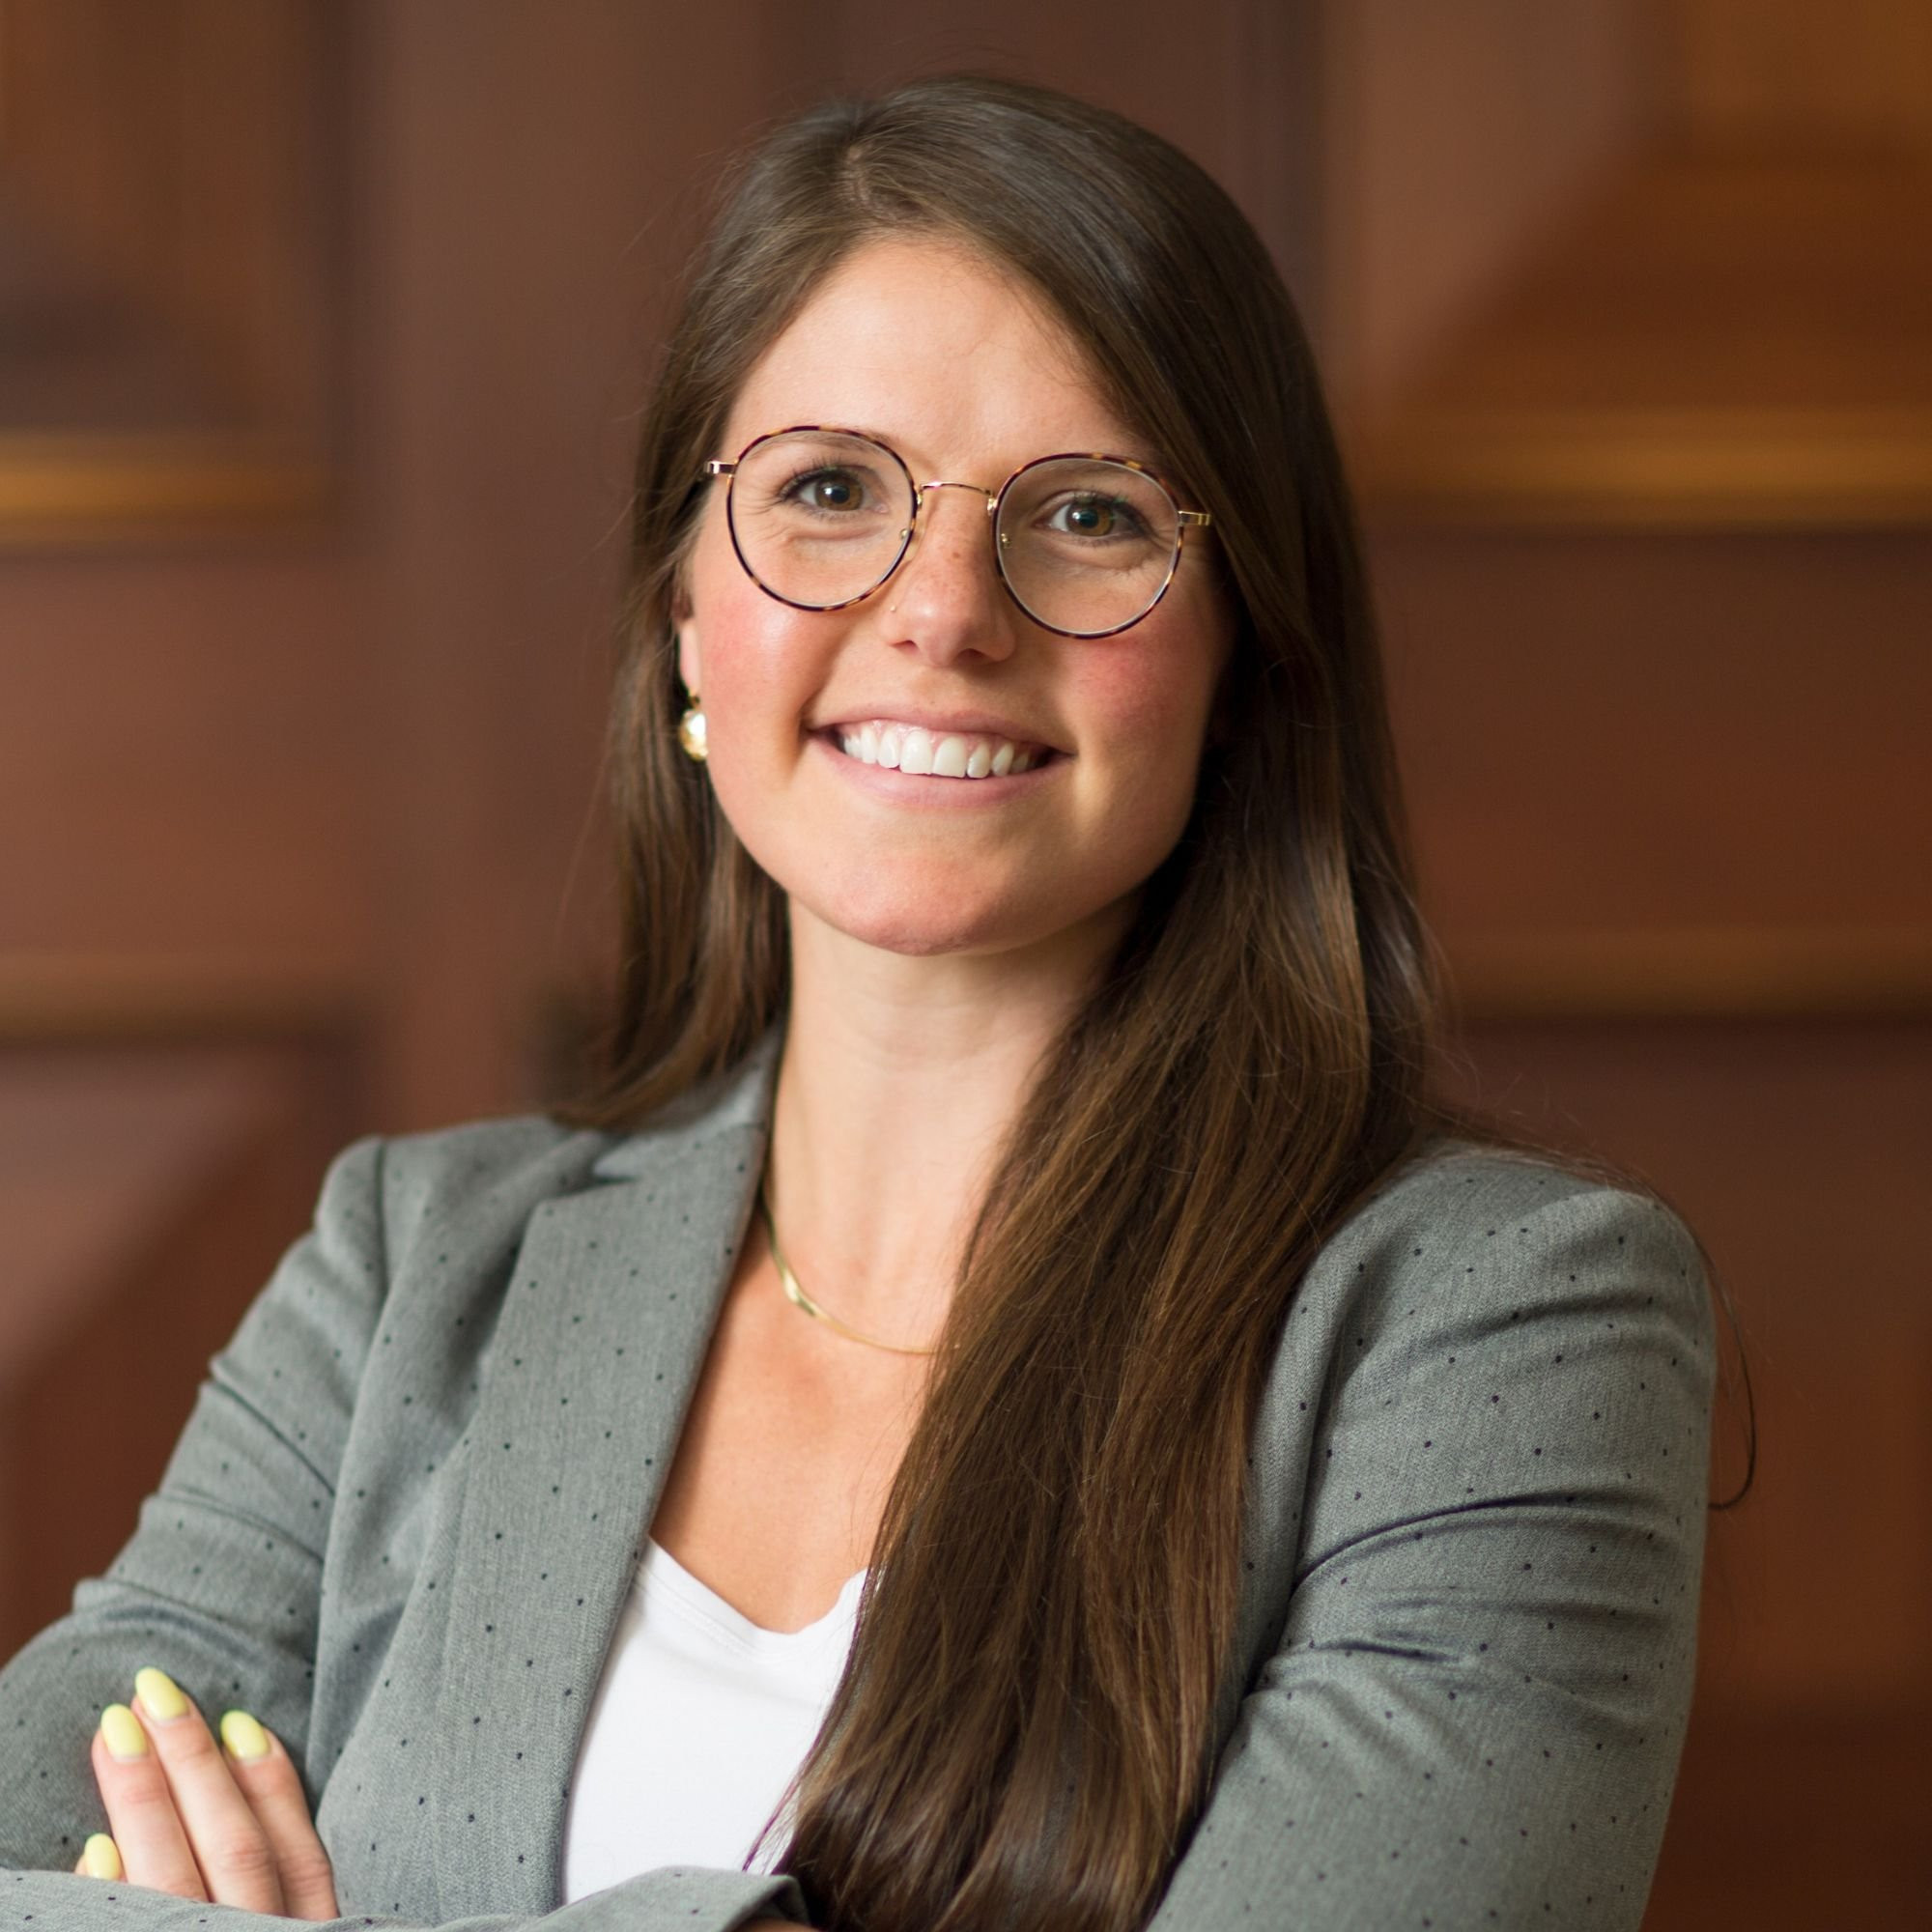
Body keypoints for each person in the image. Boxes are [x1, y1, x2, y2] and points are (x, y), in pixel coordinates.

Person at [0, 74, 1721, 1932]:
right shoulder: (407, 1269)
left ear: (1241, 653)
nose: (943, 612)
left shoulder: (1509, 1330)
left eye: (1084, 514)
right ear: (682, 611)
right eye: (828, 491)